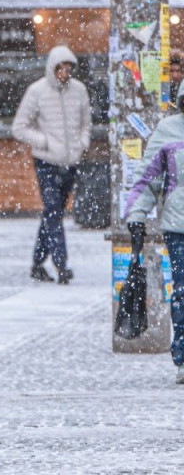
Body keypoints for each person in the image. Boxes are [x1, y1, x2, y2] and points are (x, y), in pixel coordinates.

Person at [12, 45, 91, 284]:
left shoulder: (79, 91)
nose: (65, 73)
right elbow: (19, 127)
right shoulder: (37, 91)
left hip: (69, 161)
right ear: (52, 68)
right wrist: (43, 142)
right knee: (54, 212)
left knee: (52, 212)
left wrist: (82, 143)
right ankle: (61, 263)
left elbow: (86, 121)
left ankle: (37, 262)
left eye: (68, 69)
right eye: (61, 68)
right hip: (47, 161)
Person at [125, 91, 184, 384]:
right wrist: (137, 215)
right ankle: (183, 356)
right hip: (179, 225)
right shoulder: (168, 130)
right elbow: (148, 177)